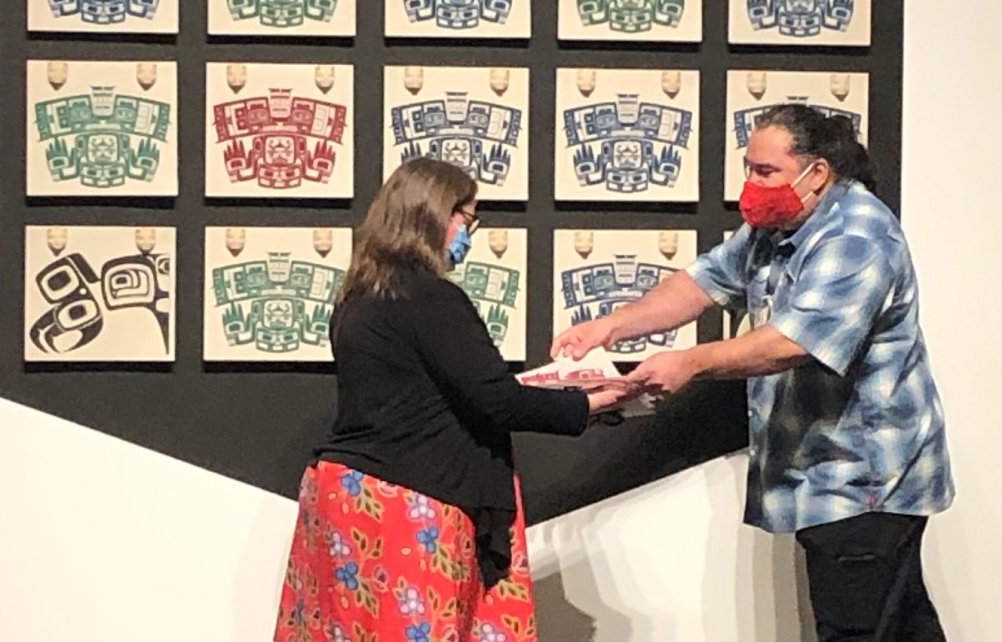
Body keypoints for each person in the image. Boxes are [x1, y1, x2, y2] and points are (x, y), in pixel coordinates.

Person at [552, 104, 956, 642]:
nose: (752, 184)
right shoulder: (776, 225)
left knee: (856, 632)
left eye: (766, 172)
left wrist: (691, 362)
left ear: (818, 174)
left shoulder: (858, 237)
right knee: (903, 628)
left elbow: (793, 343)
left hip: (865, 483)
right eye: (749, 168)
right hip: (828, 479)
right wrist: (611, 327)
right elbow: (699, 283)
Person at [274, 158, 629, 642]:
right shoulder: (430, 298)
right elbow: (495, 401)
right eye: (466, 217)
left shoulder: (358, 298)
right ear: (435, 214)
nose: (469, 231)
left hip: (345, 497)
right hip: (407, 504)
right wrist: (591, 404)